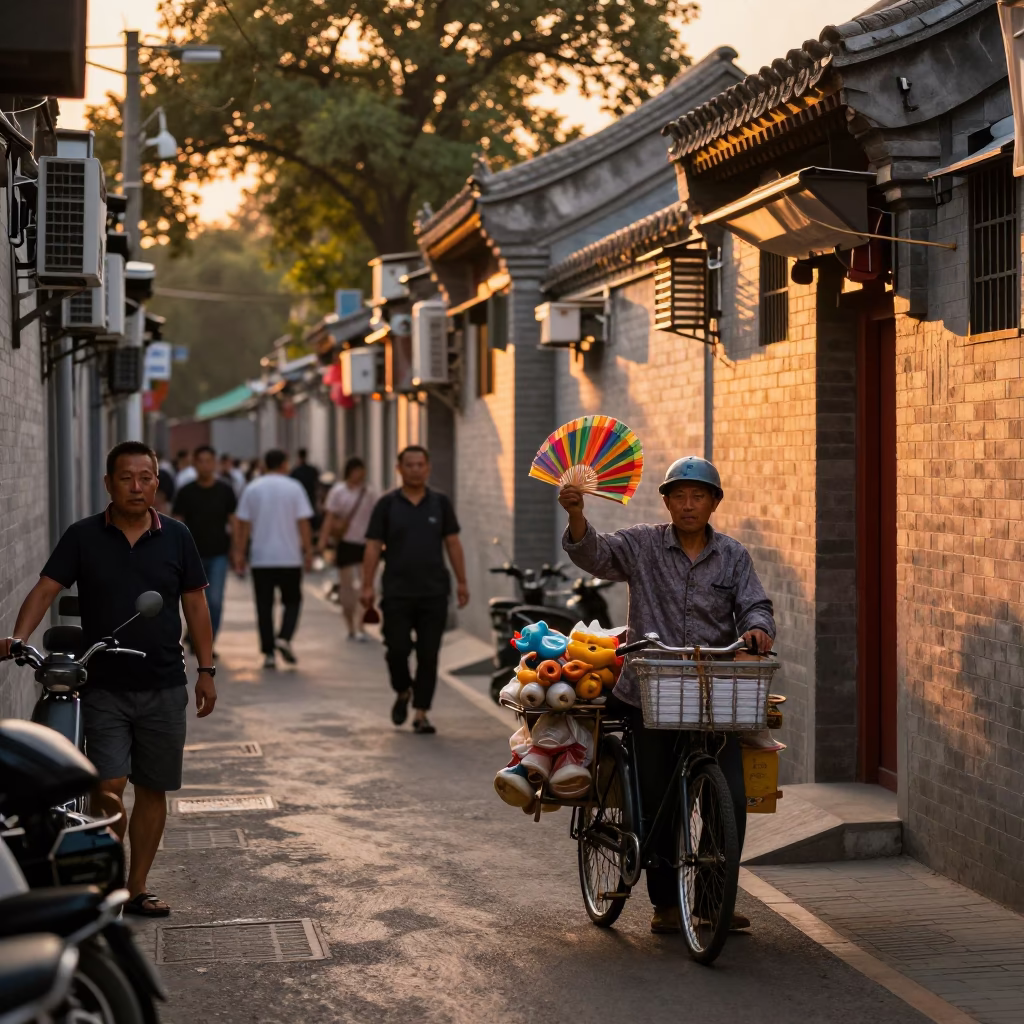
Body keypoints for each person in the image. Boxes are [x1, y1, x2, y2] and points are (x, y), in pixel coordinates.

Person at [559, 455, 775, 935]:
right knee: (659, 804)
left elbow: (755, 604)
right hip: (650, 694)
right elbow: (595, 554)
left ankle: (710, 903)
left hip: (711, 696)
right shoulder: (642, 545)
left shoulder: (734, 555)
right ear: (667, 502)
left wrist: (758, 630)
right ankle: (663, 903)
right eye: (679, 495)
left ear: (714, 502)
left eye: (699, 495)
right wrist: (576, 514)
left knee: (730, 802)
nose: (689, 504)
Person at [2, 440, 217, 917]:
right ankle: (106, 881)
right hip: (101, 686)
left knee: (153, 787)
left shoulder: (178, 536)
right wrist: (18, 637)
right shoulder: (82, 536)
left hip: (164, 682)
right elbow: (46, 588)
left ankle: (137, 885)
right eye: (126, 477)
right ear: (108, 483)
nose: (136, 486)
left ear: (158, 483)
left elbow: (196, 605)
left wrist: (205, 669)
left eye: (146, 477)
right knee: (109, 784)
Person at [361, 446, 469, 735]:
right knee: (396, 650)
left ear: (428, 467)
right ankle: (402, 690)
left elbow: (453, 543)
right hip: (396, 591)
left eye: (420, 464)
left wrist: (461, 581)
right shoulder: (386, 505)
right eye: (409, 465)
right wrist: (367, 585)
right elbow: (373, 546)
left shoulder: (440, 503)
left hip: (434, 591)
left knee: (428, 654)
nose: (415, 469)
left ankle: (421, 712)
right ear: (399, 468)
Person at [233, 448, 314, 669]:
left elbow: (243, 524)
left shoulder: (253, 488)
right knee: (293, 601)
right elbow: (303, 523)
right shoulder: (294, 487)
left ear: (265, 464)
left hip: (261, 558)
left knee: (264, 606)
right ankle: (284, 637)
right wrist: (309, 551)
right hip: (289, 557)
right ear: (284, 464)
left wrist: (240, 552)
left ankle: (268, 652)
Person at [172, 445, 237, 648]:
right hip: (192, 555)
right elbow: (177, 522)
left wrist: (237, 550)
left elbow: (234, 522)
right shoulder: (186, 492)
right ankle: (195, 634)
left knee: (215, 601)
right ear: (195, 464)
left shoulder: (225, 491)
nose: (205, 465)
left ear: (215, 463)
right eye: (201, 461)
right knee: (192, 601)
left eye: (209, 461)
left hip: (219, 553)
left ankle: (208, 643)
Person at [318, 457, 377, 641]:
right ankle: (350, 625)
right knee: (347, 586)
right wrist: (323, 540)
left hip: (366, 542)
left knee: (366, 585)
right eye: (356, 470)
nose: (359, 474)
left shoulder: (369, 493)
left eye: (361, 470)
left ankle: (360, 625)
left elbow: (378, 518)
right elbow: (329, 518)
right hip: (345, 542)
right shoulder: (338, 491)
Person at [290, 448, 320, 514]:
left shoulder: (295, 471)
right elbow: (317, 484)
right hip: (311, 497)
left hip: (300, 498)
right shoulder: (312, 470)